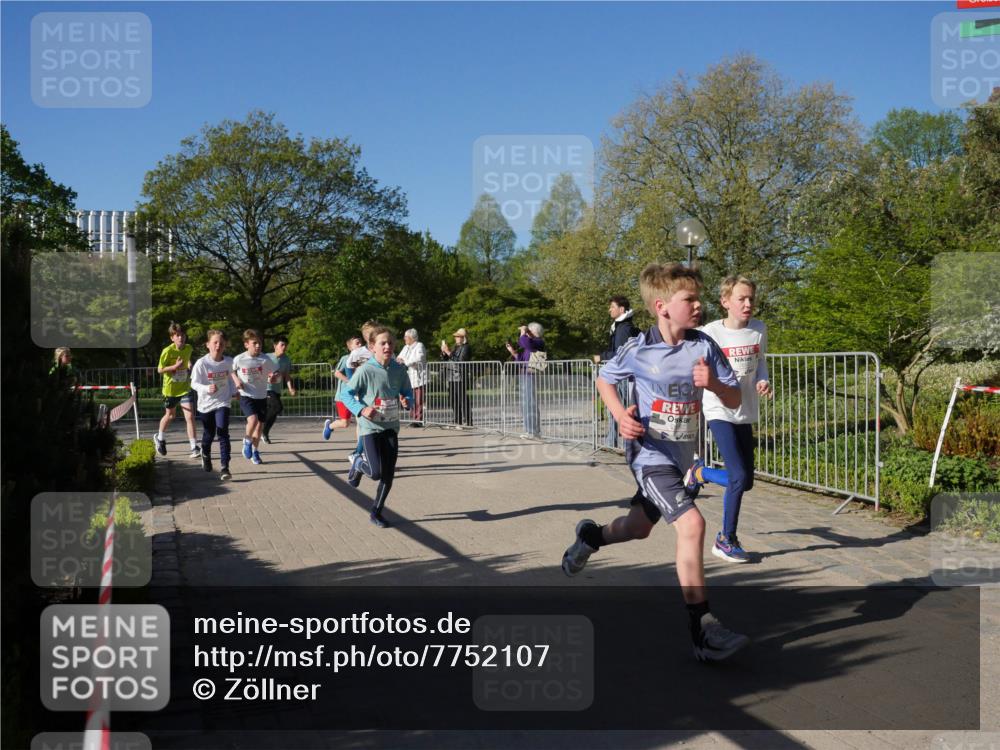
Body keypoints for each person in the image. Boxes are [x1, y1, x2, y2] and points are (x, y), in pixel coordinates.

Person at [561, 262, 749, 662]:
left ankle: (591, 537)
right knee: (693, 524)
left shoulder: (704, 346)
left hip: (680, 457)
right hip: (648, 455)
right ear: (662, 306)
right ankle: (703, 629)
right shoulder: (638, 347)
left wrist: (712, 384)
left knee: (639, 527)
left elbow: (734, 398)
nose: (699, 306)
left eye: (699, 298)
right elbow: (604, 379)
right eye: (690, 299)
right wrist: (619, 415)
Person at [695, 275, 771, 563]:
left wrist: (763, 381)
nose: (748, 303)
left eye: (751, 297)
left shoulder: (759, 330)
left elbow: (760, 362)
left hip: (745, 410)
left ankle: (700, 474)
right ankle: (726, 539)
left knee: (746, 481)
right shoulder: (710, 333)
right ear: (725, 302)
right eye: (741, 298)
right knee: (738, 477)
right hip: (719, 409)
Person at [342, 326, 414, 528]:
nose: (388, 346)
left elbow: (407, 393)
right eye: (383, 343)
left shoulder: (400, 370)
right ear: (372, 347)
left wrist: (407, 401)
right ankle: (357, 462)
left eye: (391, 343)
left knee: (388, 476)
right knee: (375, 473)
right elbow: (346, 394)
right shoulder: (365, 370)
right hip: (370, 428)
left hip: (390, 427)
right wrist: (361, 409)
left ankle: (376, 512)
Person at [190, 330, 238, 481]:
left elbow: (232, 378)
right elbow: (193, 383)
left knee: (222, 430)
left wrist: (235, 391)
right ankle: (205, 453)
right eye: (215, 342)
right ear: (208, 345)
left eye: (221, 343)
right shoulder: (202, 363)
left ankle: (225, 467)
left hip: (223, 401)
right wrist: (206, 388)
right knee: (209, 434)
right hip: (205, 404)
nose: (218, 345)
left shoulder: (229, 362)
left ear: (225, 345)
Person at [594, 296, 640, 448]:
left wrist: (602, 356)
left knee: (620, 409)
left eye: (612, 307)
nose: (609, 309)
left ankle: (622, 444)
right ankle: (613, 442)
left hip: (622, 376)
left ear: (621, 309)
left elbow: (621, 354)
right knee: (617, 409)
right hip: (622, 375)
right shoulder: (620, 327)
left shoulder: (623, 329)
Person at [232, 329, 279, 465]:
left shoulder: (265, 359)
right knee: (252, 420)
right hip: (246, 395)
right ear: (246, 344)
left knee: (259, 427)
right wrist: (236, 381)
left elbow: (276, 374)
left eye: (259, 343)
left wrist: (274, 377)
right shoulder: (239, 359)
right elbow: (231, 371)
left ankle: (255, 451)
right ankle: (247, 441)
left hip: (261, 396)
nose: (258, 346)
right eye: (254, 343)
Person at [154, 323, 199, 458]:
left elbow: (187, 358)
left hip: (185, 387)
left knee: (190, 417)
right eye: (177, 335)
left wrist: (189, 364)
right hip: (170, 390)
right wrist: (175, 366)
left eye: (182, 335)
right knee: (171, 416)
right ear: (172, 338)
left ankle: (194, 447)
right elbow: (160, 370)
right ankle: (160, 438)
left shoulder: (189, 348)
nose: (181, 338)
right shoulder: (167, 351)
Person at [505, 322, 546, 439]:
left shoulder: (538, 342)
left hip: (531, 375)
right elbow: (522, 359)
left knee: (530, 403)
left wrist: (523, 332)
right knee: (526, 403)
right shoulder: (531, 345)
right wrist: (513, 352)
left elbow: (524, 342)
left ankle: (532, 431)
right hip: (525, 375)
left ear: (533, 332)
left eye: (529, 331)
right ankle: (531, 430)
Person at [325, 336, 364, 437]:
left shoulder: (364, 359)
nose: (360, 345)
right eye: (357, 343)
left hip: (358, 395)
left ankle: (361, 448)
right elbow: (337, 373)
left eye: (361, 343)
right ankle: (329, 426)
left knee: (361, 421)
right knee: (345, 423)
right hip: (344, 396)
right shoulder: (346, 358)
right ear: (350, 347)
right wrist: (350, 381)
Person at [262, 334, 297, 444]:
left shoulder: (286, 359)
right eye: (282, 345)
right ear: (275, 346)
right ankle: (262, 427)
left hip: (277, 390)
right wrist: (268, 377)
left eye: (285, 345)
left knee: (274, 410)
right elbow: (259, 371)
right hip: (265, 388)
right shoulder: (266, 357)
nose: (284, 347)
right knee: (278, 407)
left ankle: (264, 431)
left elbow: (286, 375)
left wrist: (291, 388)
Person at [441, 328, 473, 426]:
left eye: (458, 336)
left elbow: (460, 361)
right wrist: (443, 352)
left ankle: (468, 421)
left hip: (460, 376)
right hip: (451, 376)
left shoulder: (466, 348)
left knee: (463, 399)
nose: (456, 338)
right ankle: (457, 420)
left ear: (463, 338)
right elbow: (447, 359)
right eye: (455, 336)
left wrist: (448, 352)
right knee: (453, 399)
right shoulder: (456, 347)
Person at [397, 329, 428, 427]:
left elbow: (419, 358)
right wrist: (403, 360)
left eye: (406, 337)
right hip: (410, 377)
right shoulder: (406, 347)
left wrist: (405, 361)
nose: (404, 339)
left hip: (419, 377)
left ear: (412, 338)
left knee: (419, 400)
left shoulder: (420, 345)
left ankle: (418, 420)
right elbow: (398, 358)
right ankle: (413, 418)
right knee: (412, 399)